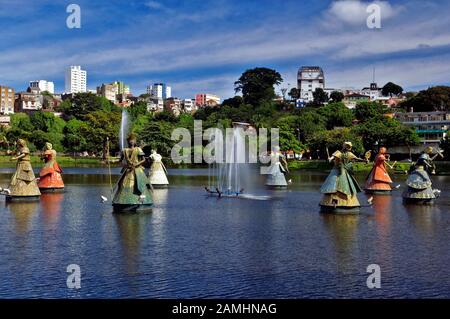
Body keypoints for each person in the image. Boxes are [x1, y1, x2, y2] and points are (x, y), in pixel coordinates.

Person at [320, 142, 368, 212]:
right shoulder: (338, 153)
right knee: (334, 187)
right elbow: (332, 158)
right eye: (347, 146)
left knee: (345, 186)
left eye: (348, 147)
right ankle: (337, 202)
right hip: (337, 171)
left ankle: (344, 202)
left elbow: (357, 158)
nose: (348, 148)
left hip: (342, 172)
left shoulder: (348, 154)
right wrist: (330, 159)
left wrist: (364, 160)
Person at [112, 133, 153, 211]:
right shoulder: (125, 150)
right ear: (128, 141)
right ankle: (122, 201)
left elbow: (144, 159)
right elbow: (120, 161)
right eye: (130, 140)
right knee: (122, 184)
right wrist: (125, 165)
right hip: (128, 170)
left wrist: (136, 164)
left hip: (137, 170)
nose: (132, 142)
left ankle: (140, 202)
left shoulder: (138, 149)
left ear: (135, 141)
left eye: (133, 140)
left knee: (139, 184)